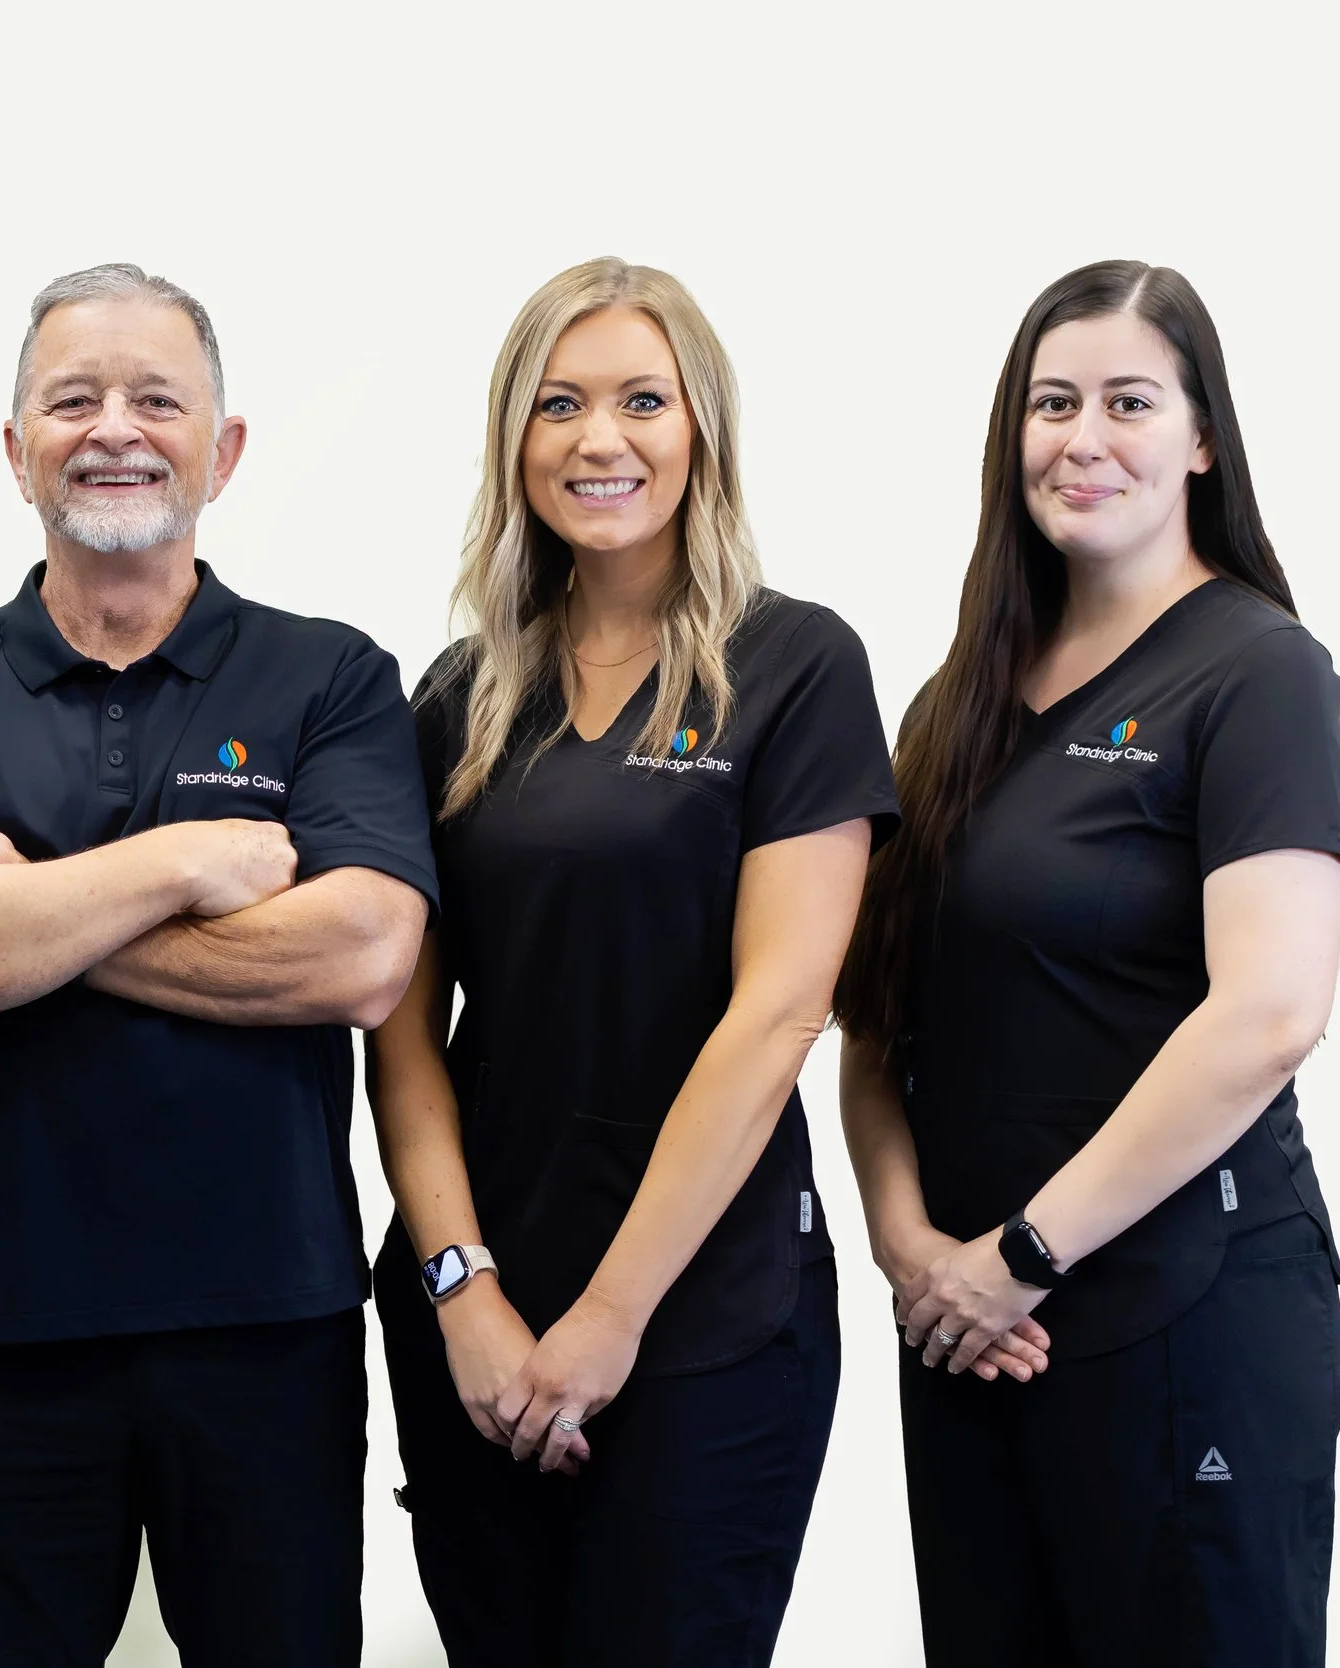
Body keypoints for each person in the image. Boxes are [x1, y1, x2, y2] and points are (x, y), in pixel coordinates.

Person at [0, 263, 435, 1668]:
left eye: (159, 398)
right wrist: (179, 867)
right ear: (16, 447)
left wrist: (21, 907)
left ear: (224, 449)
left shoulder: (328, 679)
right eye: (73, 397)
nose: (116, 428)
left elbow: (364, 955)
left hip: (269, 1327)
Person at [366, 257, 901, 1666]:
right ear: (514, 442)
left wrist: (610, 1316)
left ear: (701, 429)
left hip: (706, 1316)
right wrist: (461, 1290)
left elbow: (779, 1012)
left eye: (642, 401)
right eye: (559, 405)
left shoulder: (794, 668)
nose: (600, 440)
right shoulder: (459, 696)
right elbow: (403, 1030)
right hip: (475, 1308)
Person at [833, 261, 1340, 1667]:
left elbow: (1271, 1011)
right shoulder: (960, 701)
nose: (1083, 437)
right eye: (1051, 403)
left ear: (1200, 438)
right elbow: (876, 1025)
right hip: (969, 1337)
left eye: (1129, 401)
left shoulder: (1260, 674)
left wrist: (1024, 1252)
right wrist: (918, 1259)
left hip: (1184, 1319)